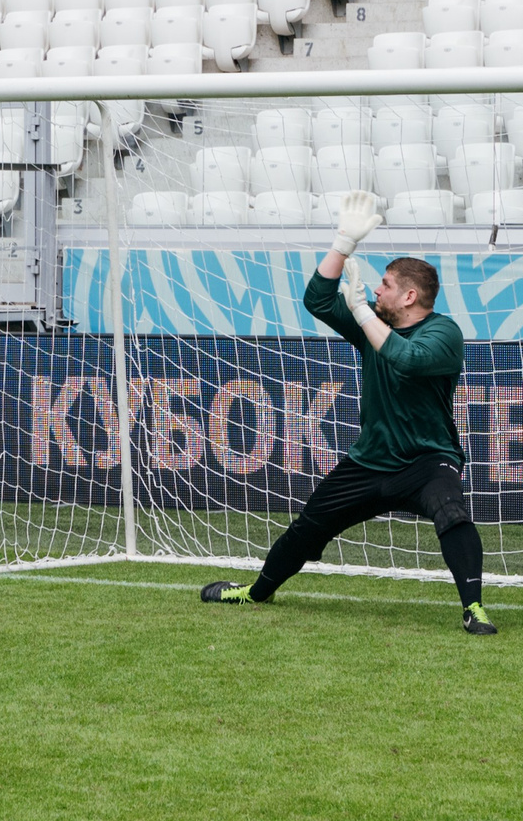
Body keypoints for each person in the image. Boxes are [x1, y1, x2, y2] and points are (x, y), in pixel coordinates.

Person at [200, 192, 495, 635]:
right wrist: (342, 244)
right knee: (307, 529)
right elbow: (317, 300)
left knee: (451, 512)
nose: (376, 290)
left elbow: (407, 360)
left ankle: (474, 609)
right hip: (369, 460)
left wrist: (360, 310)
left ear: (410, 295)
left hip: (426, 460)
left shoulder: (444, 332)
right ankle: (256, 592)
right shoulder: (374, 322)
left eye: (386, 286)